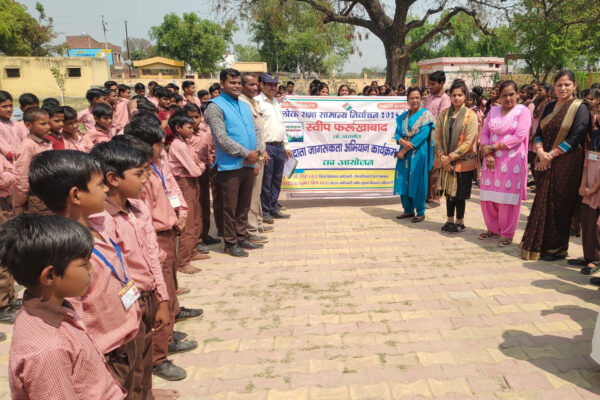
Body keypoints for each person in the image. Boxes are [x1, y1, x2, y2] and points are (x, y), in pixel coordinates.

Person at [28, 150, 146, 398]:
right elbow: (74, 316)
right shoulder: (65, 255)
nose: (106, 189)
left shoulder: (100, 223)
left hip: (127, 337)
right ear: (76, 195)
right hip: (106, 356)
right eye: (100, 184)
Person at [1, 214, 127, 400]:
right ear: (50, 276)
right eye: (84, 264)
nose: (91, 270)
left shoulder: (50, 307)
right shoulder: (49, 351)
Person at [89, 141, 183, 385]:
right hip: (127, 301)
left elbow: (152, 255)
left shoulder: (139, 208)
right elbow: (115, 272)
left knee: (145, 359)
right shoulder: (102, 220)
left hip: (149, 294)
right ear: (113, 178)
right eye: (139, 174)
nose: (145, 179)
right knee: (132, 369)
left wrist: (162, 298)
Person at [521, 70, 592, 261]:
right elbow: (539, 133)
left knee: (560, 204)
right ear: (554, 86)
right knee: (543, 201)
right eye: (559, 84)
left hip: (568, 162)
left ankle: (557, 249)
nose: (563, 88)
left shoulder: (580, 107)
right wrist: (540, 152)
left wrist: (550, 155)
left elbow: (576, 136)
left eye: (567, 84)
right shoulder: (549, 106)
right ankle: (539, 245)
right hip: (545, 159)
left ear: (574, 86)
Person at [204, 69, 261, 257]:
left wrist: (258, 152)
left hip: (249, 163)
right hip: (229, 166)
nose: (236, 86)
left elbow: (256, 130)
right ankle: (230, 242)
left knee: (244, 205)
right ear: (222, 84)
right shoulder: (214, 106)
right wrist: (246, 153)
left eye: (238, 83)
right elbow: (221, 138)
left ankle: (242, 237)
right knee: (229, 208)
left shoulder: (244, 105)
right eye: (232, 82)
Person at [478, 81, 531, 246]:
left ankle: (507, 233)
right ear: (499, 97)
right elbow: (484, 133)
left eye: (511, 94)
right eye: (504, 95)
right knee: (489, 196)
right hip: (491, 160)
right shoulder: (493, 111)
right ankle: (493, 229)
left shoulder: (522, 111)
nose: (508, 98)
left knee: (507, 198)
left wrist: (492, 147)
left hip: (512, 161)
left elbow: (519, 136)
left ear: (517, 94)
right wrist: (488, 153)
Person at [435, 80, 479, 233]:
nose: (457, 98)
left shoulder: (471, 115)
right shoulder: (443, 114)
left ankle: (460, 221)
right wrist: (442, 156)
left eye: (460, 95)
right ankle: (449, 220)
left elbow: (469, 141)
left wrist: (451, 157)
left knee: (460, 194)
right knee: (449, 193)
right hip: (446, 162)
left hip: (462, 162)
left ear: (465, 96)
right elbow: (437, 137)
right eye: (454, 95)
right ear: (450, 96)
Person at [167, 113, 208, 271]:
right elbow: (195, 170)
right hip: (184, 182)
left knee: (196, 217)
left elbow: (197, 165)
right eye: (189, 127)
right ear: (178, 128)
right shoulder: (178, 145)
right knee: (188, 221)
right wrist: (200, 166)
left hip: (191, 181)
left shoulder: (187, 143)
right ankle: (182, 261)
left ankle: (192, 251)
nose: (192, 130)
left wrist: (199, 165)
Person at [181, 103, 221, 248]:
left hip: (204, 172)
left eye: (197, 117)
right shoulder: (184, 138)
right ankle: (196, 239)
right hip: (190, 174)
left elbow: (210, 151)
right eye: (190, 118)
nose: (194, 121)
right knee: (194, 207)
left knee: (204, 205)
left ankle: (204, 234)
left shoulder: (205, 134)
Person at [393, 88, 435, 223]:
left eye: (417, 97)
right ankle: (408, 210)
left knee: (417, 180)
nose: (414, 100)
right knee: (403, 179)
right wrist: (401, 141)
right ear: (407, 100)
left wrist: (404, 150)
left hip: (418, 152)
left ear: (421, 99)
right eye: (411, 98)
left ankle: (420, 211)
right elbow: (397, 133)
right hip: (403, 152)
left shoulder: (426, 115)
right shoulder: (402, 117)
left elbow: (423, 135)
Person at [256, 73, 292, 224]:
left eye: (275, 84)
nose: (273, 87)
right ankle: (265, 211)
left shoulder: (276, 103)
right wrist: (262, 149)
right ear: (261, 85)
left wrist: (285, 145)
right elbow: (257, 128)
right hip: (267, 147)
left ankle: (273, 208)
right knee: (266, 181)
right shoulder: (257, 102)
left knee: (277, 180)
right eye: (269, 84)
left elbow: (282, 126)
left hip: (279, 147)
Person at [239, 73, 271, 242]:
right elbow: (248, 133)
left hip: (259, 154)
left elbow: (259, 131)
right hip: (252, 156)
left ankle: (257, 223)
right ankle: (251, 230)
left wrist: (263, 150)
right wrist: (254, 157)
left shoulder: (253, 102)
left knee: (256, 193)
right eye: (250, 85)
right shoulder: (242, 103)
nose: (254, 88)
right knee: (251, 195)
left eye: (255, 84)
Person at [570, 103, 600, 274]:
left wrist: (595, 187)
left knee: (596, 224)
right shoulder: (595, 133)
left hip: (597, 187)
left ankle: (597, 258)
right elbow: (587, 161)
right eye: (598, 112)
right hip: (588, 184)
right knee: (587, 220)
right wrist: (583, 184)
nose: (599, 115)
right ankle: (588, 255)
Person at [13, 108, 52, 215]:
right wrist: (21, 201)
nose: (48, 127)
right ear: (28, 125)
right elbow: (22, 175)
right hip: (37, 197)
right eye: (43, 124)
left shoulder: (46, 142)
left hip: (50, 192)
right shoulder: (28, 146)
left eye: (48, 123)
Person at [425, 71, 451, 208]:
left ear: (442, 83)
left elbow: (442, 120)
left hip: (436, 136)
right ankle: (427, 195)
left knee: (435, 167)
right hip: (426, 135)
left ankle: (435, 197)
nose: (430, 86)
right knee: (427, 167)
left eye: (433, 84)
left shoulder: (445, 99)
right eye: (430, 84)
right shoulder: (429, 97)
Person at [0, 91, 27, 161]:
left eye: (11, 106)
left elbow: (27, 140)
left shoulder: (17, 124)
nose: (9, 109)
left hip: (22, 160)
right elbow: (7, 152)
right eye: (4, 107)